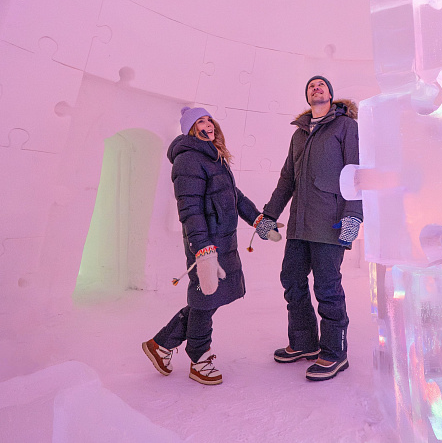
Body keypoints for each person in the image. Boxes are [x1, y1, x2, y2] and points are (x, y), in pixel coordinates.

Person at [142, 106, 271, 385]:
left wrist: (257, 220)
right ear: (191, 129)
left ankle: (160, 344)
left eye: (209, 119)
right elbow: (189, 208)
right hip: (206, 244)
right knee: (204, 300)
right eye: (200, 121)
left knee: (208, 299)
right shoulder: (188, 159)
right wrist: (202, 248)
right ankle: (199, 359)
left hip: (222, 240)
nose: (208, 124)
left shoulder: (213, 156)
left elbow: (233, 195)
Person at [254, 75, 362, 381]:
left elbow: (356, 172)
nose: (316, 88)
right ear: (307, 96)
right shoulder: (299, 134)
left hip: (330, 222)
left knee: (327, 288)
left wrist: (354, 215)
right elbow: (287, 179)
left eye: (321, 85)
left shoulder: (346, 127)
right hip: (299, 224)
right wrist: (269, 215)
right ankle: (304, 343)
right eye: (311, 86)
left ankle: (335, 353)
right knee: (291, 280)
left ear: (330, 94)